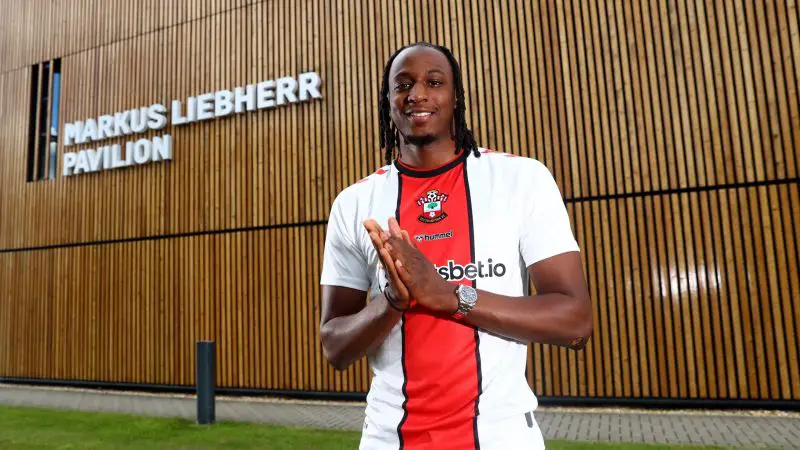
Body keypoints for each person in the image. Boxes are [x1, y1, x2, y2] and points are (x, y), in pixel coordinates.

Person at [319, 42, 593, 450]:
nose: (417, 94)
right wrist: (392, 302)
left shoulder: (521, 179)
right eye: (402, 85)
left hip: (501, 438)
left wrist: (449, 295)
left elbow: (575, 321)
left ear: (456, 96)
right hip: (388, 440)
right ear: (388, 101)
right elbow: (335, 347)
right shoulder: (355, 203)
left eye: (434, 82)